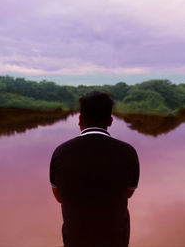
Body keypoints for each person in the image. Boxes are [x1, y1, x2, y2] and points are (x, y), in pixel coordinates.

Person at [49, 91, 140, 247]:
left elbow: (59, 197)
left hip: (76, 238)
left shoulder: (61, 152)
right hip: (116, 239)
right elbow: (128, 193)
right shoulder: (128, 152)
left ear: (79, 119)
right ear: (110, 120)